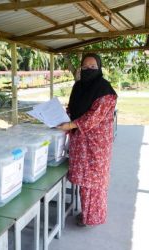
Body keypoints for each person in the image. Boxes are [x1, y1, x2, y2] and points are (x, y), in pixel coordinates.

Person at [57, 53, 117, 226]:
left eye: (92, 67)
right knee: (84, 181)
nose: (88, 70)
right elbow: (72, 109)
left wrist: (69, 125)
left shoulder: (105, 90)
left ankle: (93, 217)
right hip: (80, 142)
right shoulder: (78, 86)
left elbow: (93, 117)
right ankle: (86, 213)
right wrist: (61, 117)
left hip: (96, 144)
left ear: (99, 68)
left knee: (94, 182)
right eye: (85, 67)